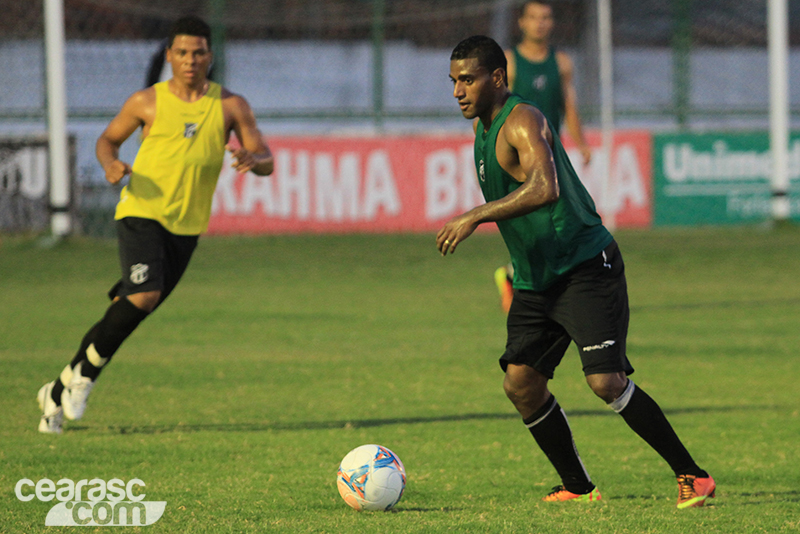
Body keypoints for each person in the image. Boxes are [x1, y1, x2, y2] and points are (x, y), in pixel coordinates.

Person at [439, 35, 715, 508]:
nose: (459, 91)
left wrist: (474, 215)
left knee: (605, 382)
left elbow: (545, 188)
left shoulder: (522, 120)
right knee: (521, 384)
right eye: (453, 81)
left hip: (585, 267)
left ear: (497, 78)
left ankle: (693, 475)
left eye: (468, 79)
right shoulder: (482, 127)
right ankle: (579, 488)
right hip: (537, 279)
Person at [37, 15, 274, 434]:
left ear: (209, 56)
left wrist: (254, 161)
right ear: (169, 56)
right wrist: (111, 164)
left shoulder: (230, 106)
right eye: (181, 52)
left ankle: (58, 389)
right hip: (141, 211)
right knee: (143, 295)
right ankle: (84, 381)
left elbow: (266, 159)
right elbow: (107, 139)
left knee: (128, 310)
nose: (190, 60)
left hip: (187, 227)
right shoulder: (147, 101)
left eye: (198, 52)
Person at [495, 0, 593, 312]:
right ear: (521, 22)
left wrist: (582, 143)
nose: (540, 23)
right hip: (519, 159)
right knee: (541, 225)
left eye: (546, 18)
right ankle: (526, 283)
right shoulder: (510, 63)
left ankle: (514, 277)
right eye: (534, 18)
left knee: (558, 225)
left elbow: (569, 106)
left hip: (553, 158)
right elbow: (493, 109)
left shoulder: (561, 62)